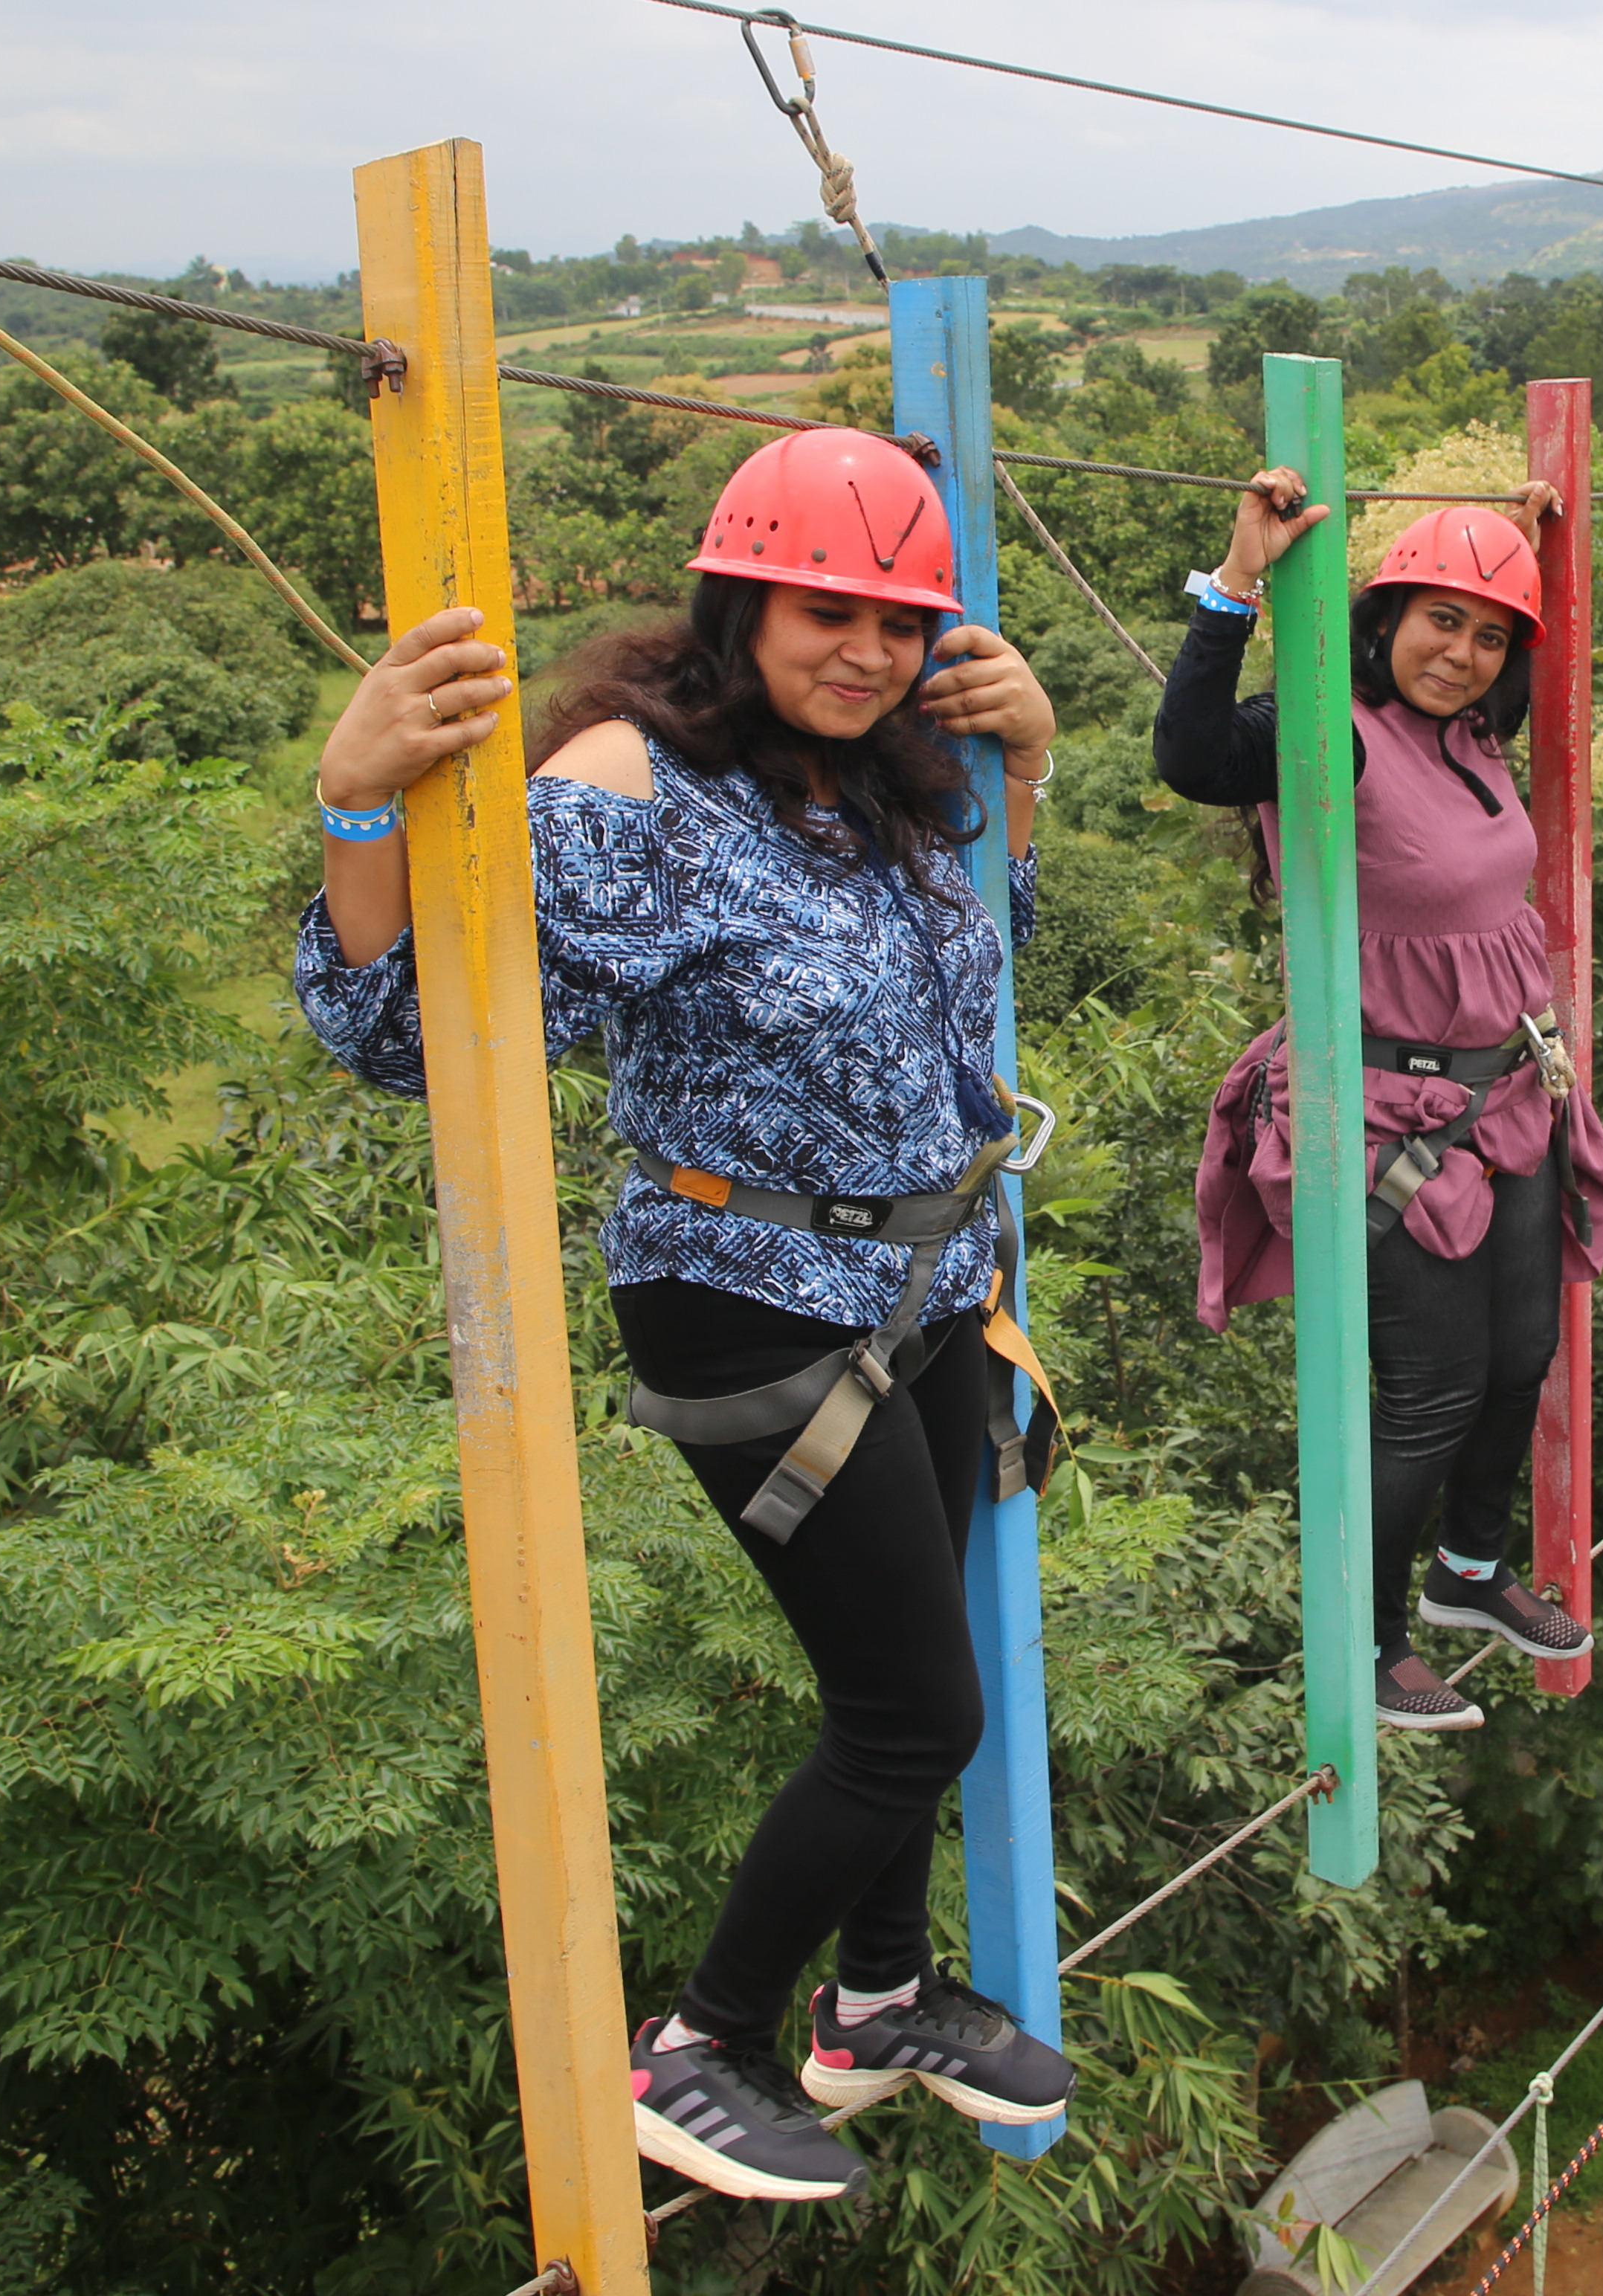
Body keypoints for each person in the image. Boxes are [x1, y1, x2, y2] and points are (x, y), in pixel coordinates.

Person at [296, 428, 1076, 2205]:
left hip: (924, 1278)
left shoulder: (874, 772)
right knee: (909, 1712)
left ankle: (873, 1995)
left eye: (898, 622)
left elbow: (975, 963)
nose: (865, 653)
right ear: (740, 598)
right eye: (827, 612)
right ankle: (698, 2046)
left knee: (917, 1657)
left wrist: (1016, 763)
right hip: (750, 1298)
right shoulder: (626, 786)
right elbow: (406, 1042)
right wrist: (357, 806)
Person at [1155, 477, 1603, 1733]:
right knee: (1430, 1383)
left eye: (1486, 637)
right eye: (1435, 621)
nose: (1459, 655)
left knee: (1523, 1348)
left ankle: (1470, 1571)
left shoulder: (1471, 740)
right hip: (1387, 1112)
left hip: (1507, 1089)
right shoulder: (1334, 730)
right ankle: (1364, 1639)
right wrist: (1235, 584)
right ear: (1379, 620)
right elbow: (1190, 753)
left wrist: (1516, 532)